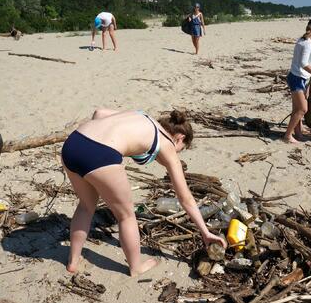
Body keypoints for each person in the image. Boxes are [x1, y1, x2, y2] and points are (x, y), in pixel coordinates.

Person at [61, 109, 227, 276]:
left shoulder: (143, 116)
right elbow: (185, 199)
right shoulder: (167, 143)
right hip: (101, 154)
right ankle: (136, 267)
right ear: (179, 138)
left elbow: (99, 113)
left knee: (86, 206)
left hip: (74, 143)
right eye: (180, 150)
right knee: (126, 216)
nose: (176, 154)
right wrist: (205, 233)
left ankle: (73, 261)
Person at [284, 17, 311, 144]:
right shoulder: (307, 42)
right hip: (297, 78)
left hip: (301, 77)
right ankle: (287, 136)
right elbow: (304, 64)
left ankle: (297, 133)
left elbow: (305, 62)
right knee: (302, 109)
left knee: (297, 109)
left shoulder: (304, 40)